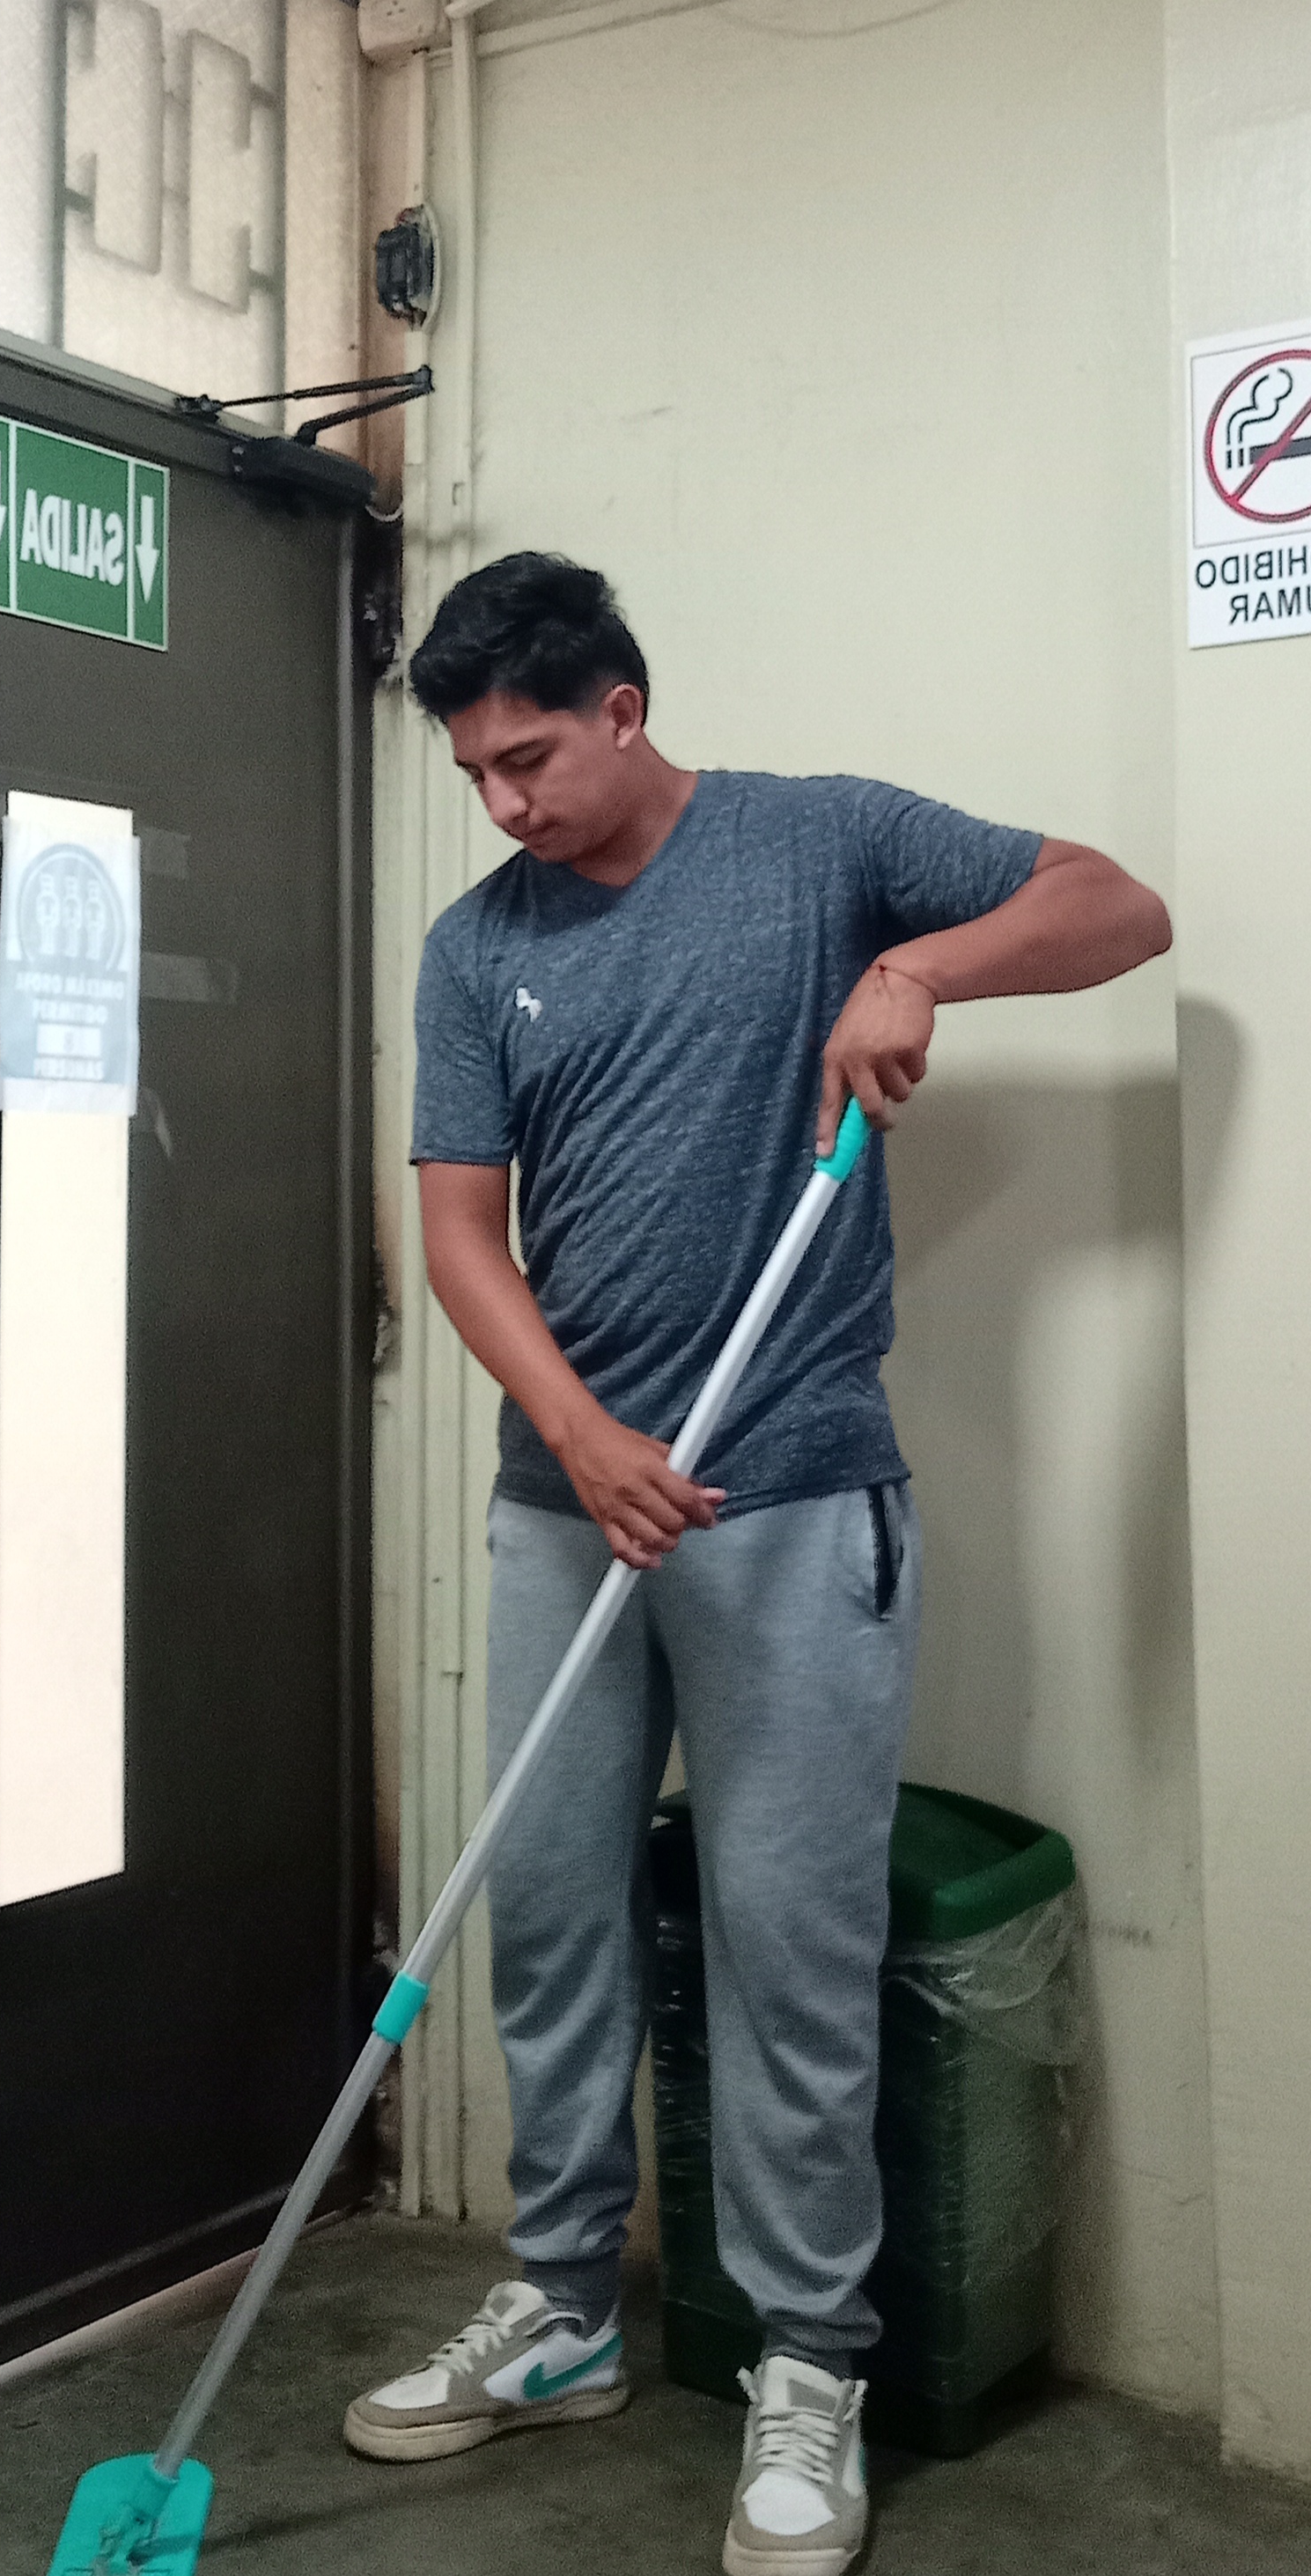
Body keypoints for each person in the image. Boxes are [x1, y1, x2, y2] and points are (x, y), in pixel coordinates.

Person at [343, 554, 1170, 2575]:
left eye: (527, 757)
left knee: (785, 1938)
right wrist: (579, 1433)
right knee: (548, 1916)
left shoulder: (819, 843)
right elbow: (456, 1230)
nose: (504, 803)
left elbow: (1115, 905)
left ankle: (808, 2359)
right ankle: (559, 2306)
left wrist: (921, 970)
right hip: (567, 1502)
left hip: (789, 1495)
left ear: (619, 707)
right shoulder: (476, 947)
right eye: (473, 775)